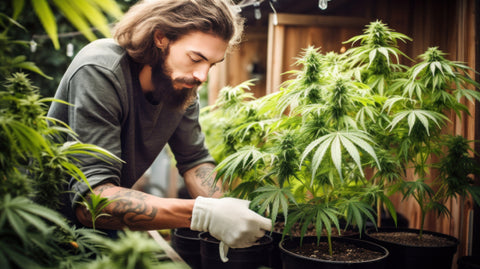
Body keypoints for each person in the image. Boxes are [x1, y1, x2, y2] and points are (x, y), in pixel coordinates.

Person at [47, 0, 271, 261]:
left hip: (103, 228)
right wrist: (204, 214)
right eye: (196, 58)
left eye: (211, 64)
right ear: (160, 38)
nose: (202, 76)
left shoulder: (182, 87)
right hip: (47, 228)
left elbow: (195, 161)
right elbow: (91, 202)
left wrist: (225, 209)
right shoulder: (101, 70)